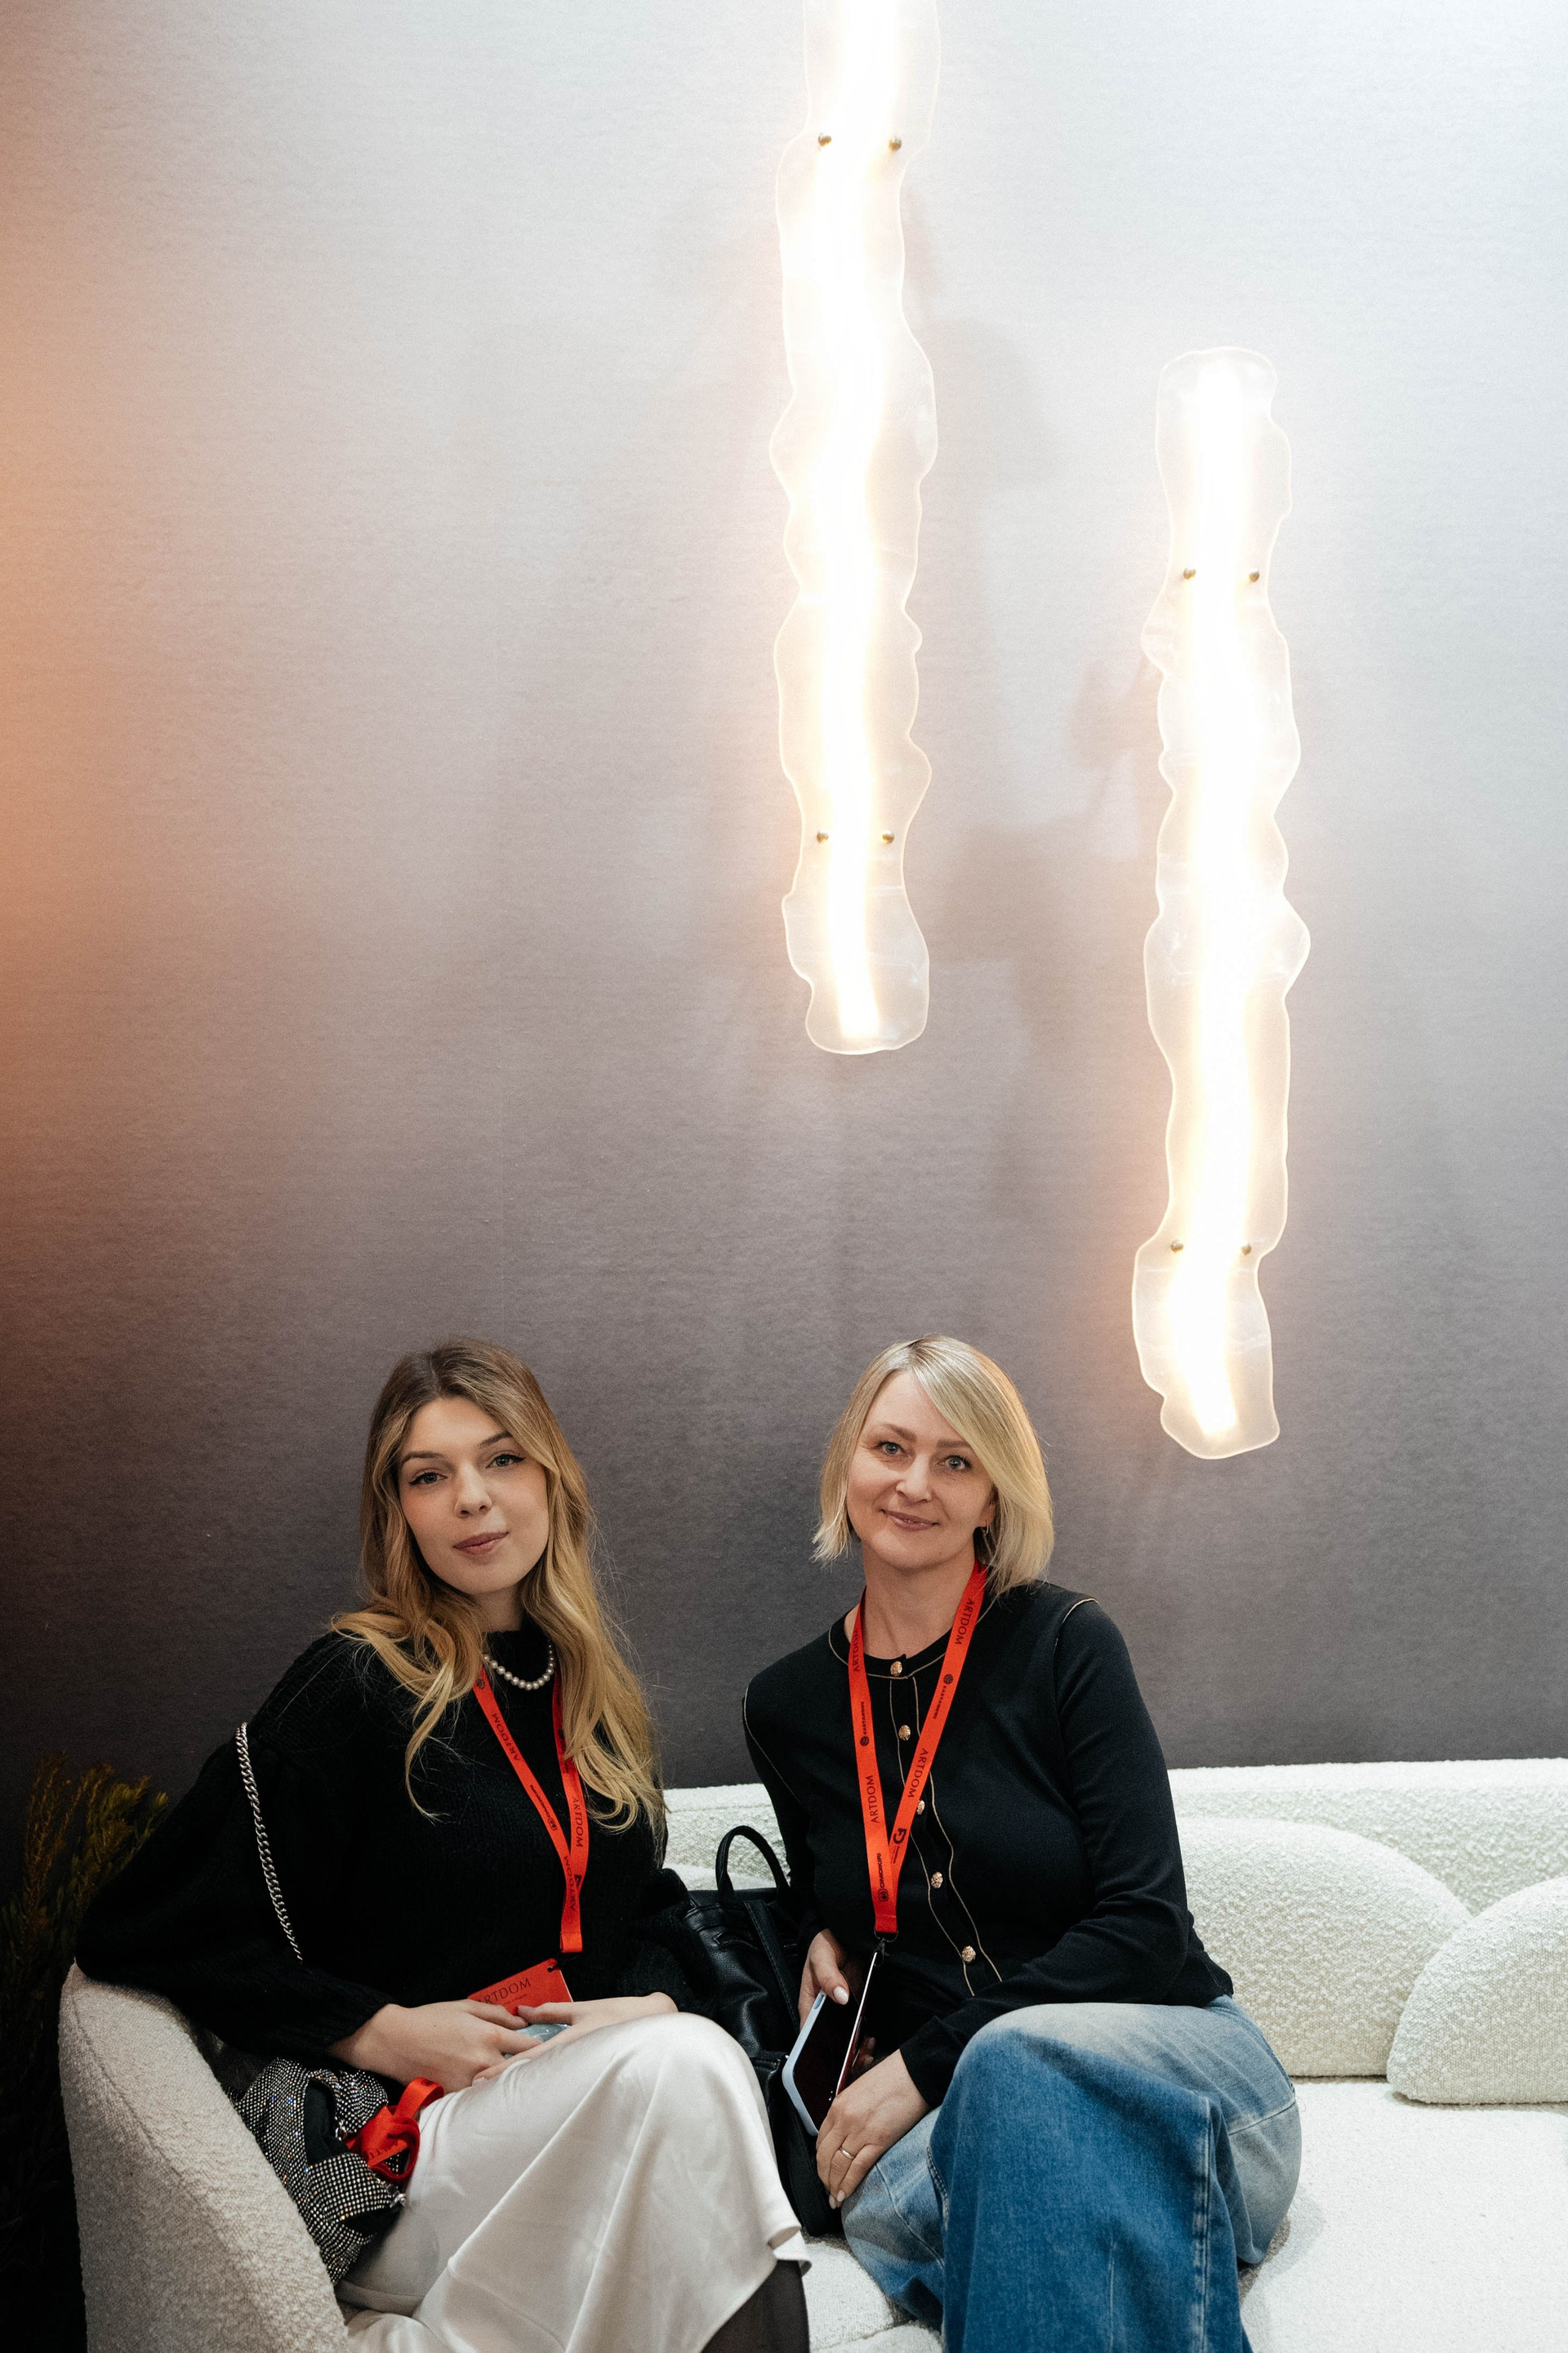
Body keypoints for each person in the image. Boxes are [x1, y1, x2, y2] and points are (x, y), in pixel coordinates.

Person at [79, 1338, 807, 2353]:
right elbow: (139, 1926)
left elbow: (641, 1908)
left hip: (563, 2103)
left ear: (552, 1479)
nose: (472, 1497)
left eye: (502, 1458)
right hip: (405, 2147)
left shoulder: (586, 1691)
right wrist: (379, 2030)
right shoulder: (354, 1683)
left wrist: (650, 2002)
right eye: (430, 1475)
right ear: (400, 1512)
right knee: (690, 2069)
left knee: (686, 2062)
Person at [744, 1335, 1299, 2353]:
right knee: (1037, 2177)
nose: (916, 1483)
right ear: (848, 1461)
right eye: (890, 1447)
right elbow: (840, 1879)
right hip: (948, 2126)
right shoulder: (785, 1706)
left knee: (1013, 2075)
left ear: (994, 1495)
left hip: (1171, 2063)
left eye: (956, 1460)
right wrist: (815, 1926)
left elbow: (1145, 1927)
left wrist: (929, 2060)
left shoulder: (1067, 1643)